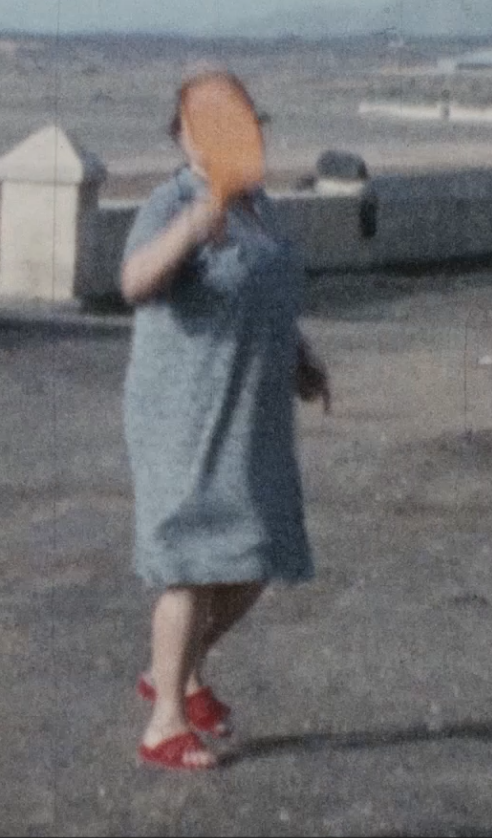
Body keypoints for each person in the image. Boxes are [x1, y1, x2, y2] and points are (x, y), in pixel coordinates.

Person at [120, 71, 332, 771]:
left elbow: (264, 291)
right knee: (192, 561)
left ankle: (176, 672)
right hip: (186, 410)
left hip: (249, 408)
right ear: (183, 137)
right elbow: (134, 280)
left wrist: (301, 358)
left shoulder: (258, 205)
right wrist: (188, 229)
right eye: (204, 127)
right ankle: (166, 721)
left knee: (256, 552)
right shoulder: (173, 199)